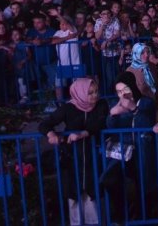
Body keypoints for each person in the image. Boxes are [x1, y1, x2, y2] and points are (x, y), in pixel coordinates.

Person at [39, 78, 108, 226]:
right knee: (73, 194)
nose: (94, 96)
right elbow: (45, 124)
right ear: (80, 93)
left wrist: (84, 133)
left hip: (93, 156)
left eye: (96, 91)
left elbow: (101, 123)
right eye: (90, 93)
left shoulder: (101, 105)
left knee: (92, 194)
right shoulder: (68, 108)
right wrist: (51, 134)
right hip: (72, 158)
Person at [100, 72, 157, 223]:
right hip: (123, 153)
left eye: (125, 89)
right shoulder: (115, 104)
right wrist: (112, 114)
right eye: (118, 91)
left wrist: (133, 109)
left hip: (142, 151)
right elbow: (110, 127)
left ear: (132, 87)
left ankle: (143, 218)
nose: (122, 94)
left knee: (143, 186)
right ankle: (121, 217)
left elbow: (147, 123)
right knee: (110, 180)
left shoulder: (146, 102)